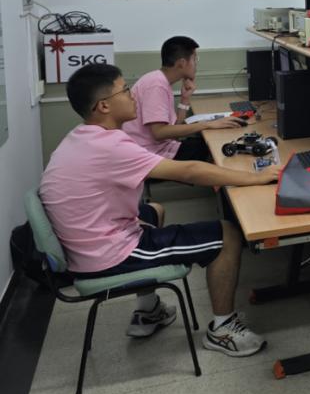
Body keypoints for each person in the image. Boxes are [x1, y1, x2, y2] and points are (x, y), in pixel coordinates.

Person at [40, 64, 274, 357]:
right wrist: (255, 177)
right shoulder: (110, 146)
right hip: (108, 255)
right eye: (125, 90)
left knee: (155, 210)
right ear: (104, 106)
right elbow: (188, 171)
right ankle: (222, 329)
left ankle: (148, 312)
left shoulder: (82, 136)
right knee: (228, 235)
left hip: (87, 245)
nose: (133, 95)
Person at [123, 36, 244, 160]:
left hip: (162, 148)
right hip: (150, 156)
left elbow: (174, 131)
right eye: (195, 59)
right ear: (182, 63)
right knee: (212, 150)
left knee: (206, 145)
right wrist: (208, 124)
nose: (196, 64)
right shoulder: (156, 85)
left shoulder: (160, 81)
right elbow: (159, 133)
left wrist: (184, 99)